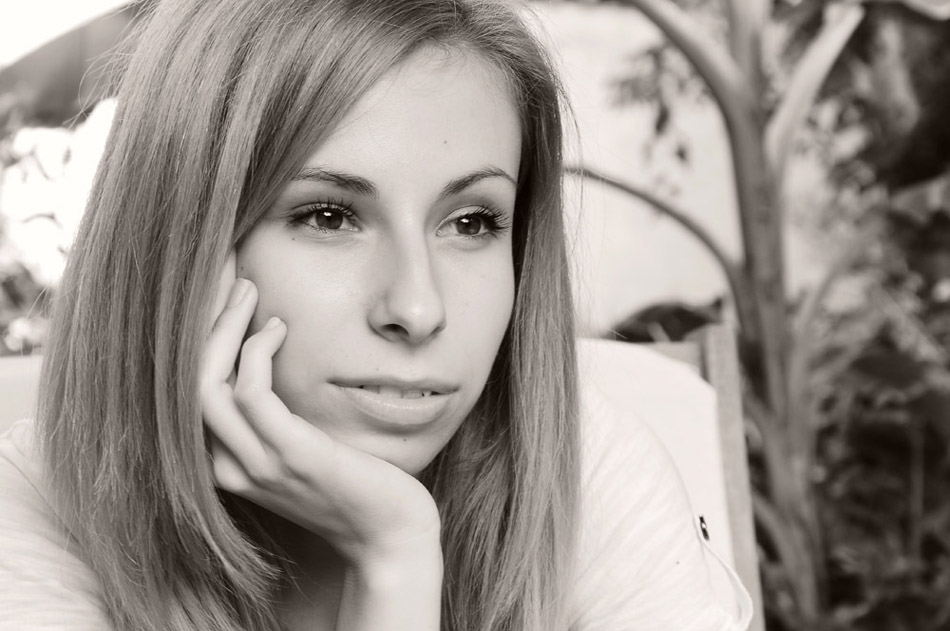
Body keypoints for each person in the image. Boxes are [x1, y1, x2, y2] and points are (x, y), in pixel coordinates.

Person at [0, 0, 752, 629]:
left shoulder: (583, 471)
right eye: (328, 216)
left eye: (472, 222)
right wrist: (395, 559)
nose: (418, 310)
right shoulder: (28, 511)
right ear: (180, 244)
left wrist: (391, 549)